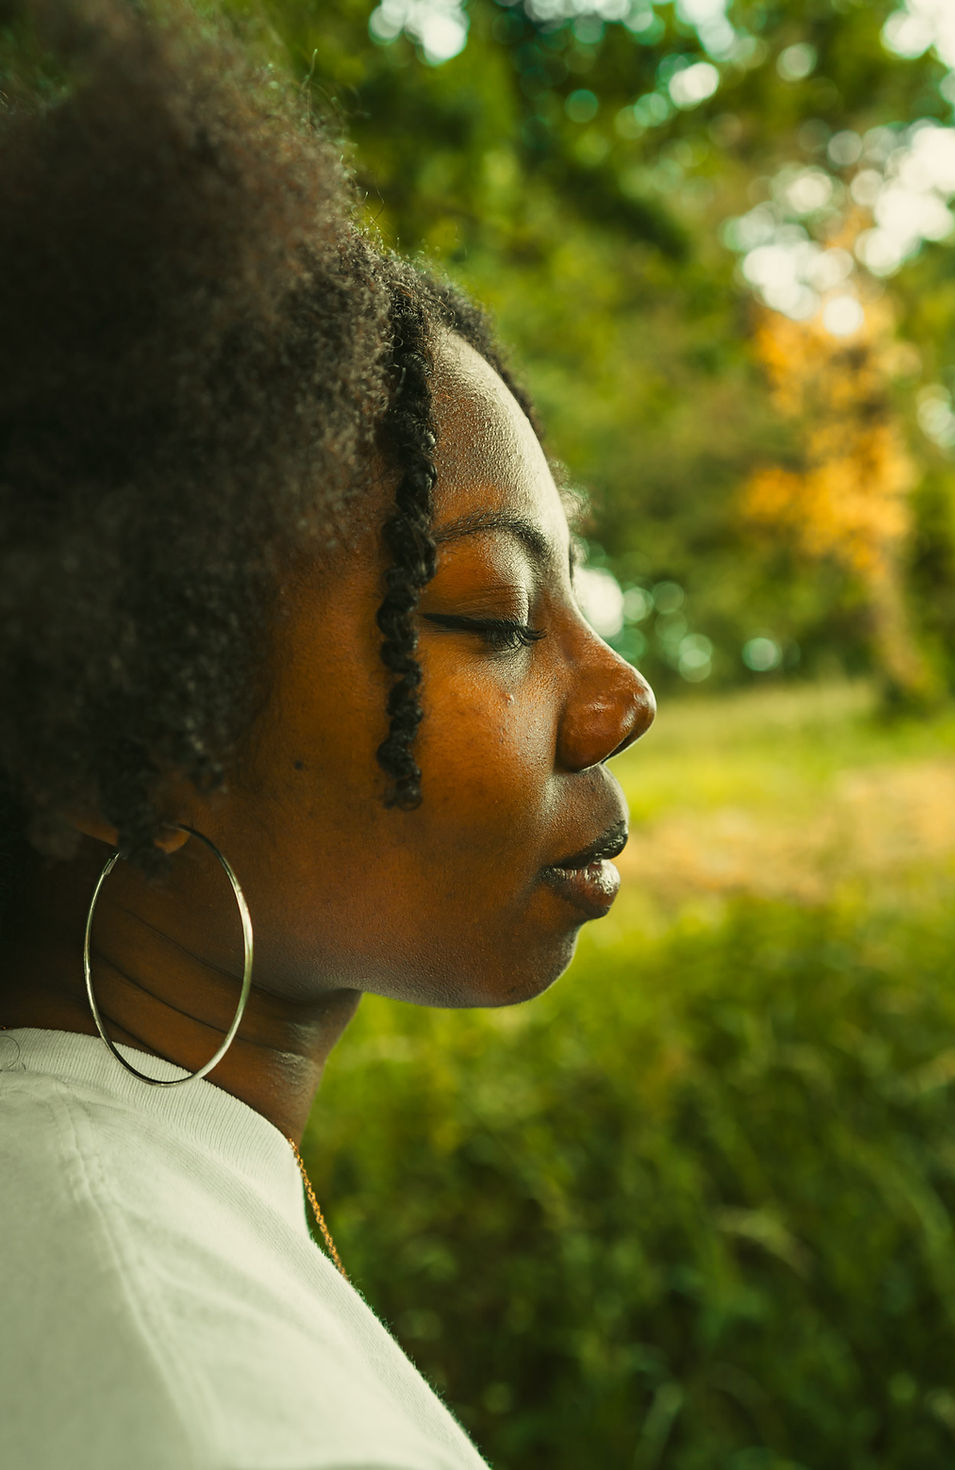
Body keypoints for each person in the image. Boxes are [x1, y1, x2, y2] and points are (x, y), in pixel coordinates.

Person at [0, 3, 656, 1467]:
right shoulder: (175, 1368)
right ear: (125, 730)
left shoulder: (120, 1200)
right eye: (492, 614)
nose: (619, 696)